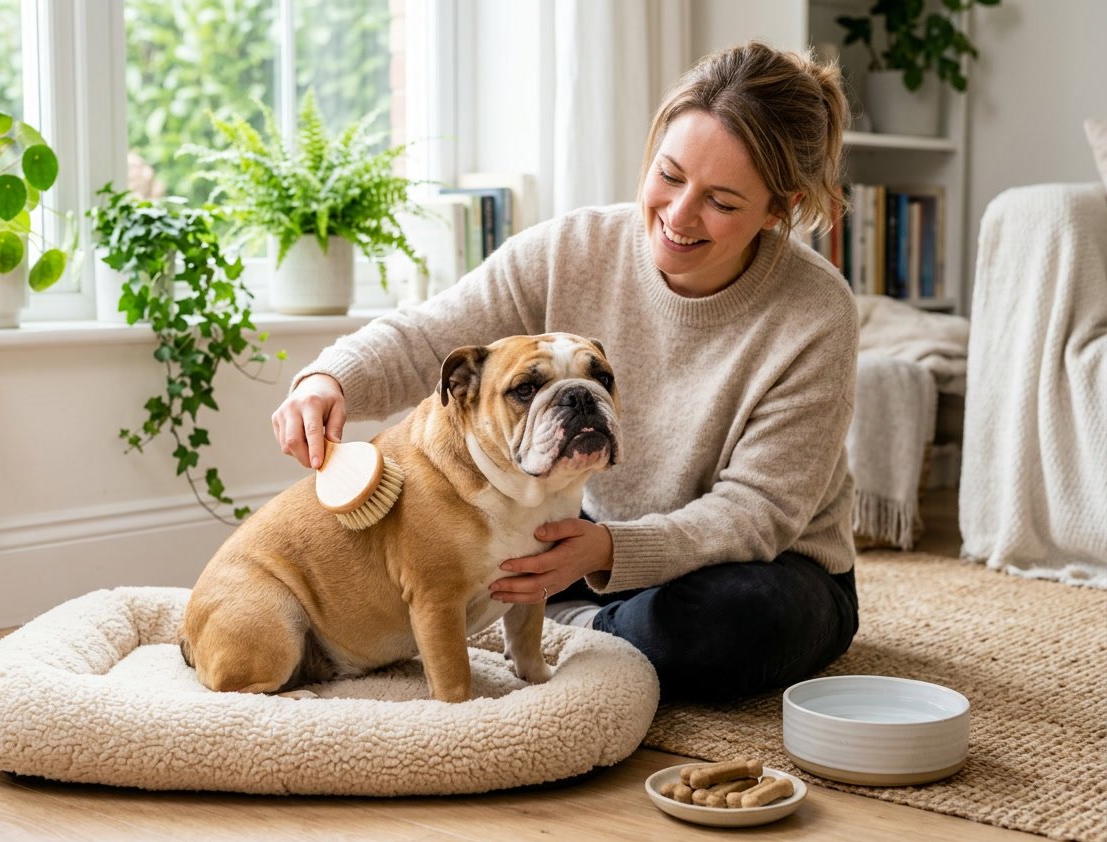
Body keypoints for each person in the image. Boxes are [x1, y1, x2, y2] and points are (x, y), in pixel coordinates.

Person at [270, 41, 859, 702]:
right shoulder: (572, 247)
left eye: (721, 201)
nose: (678, 215)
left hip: (758, 564)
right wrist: (329, 380)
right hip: (573, 542)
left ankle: (578, 627)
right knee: (489, 560)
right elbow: (429, 334)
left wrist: (608, 552)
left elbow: (759, 512)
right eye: (668, 175)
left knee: (738, 621)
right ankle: (579, 629)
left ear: (777, 210)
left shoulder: (816, 311)